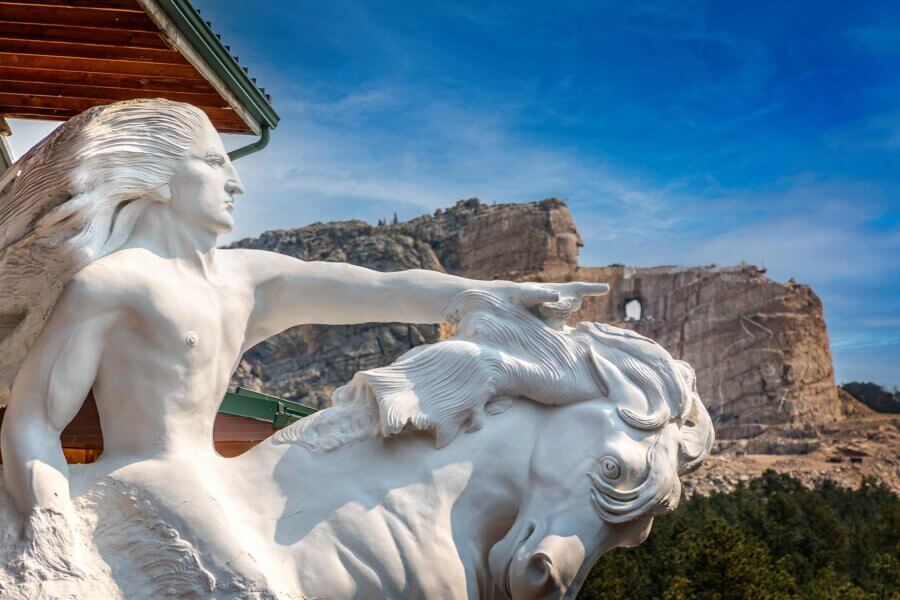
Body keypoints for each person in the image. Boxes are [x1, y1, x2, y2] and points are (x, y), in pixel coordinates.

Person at [0, 99, 607, 589]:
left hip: (219, 474)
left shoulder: (245, 279)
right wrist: (49, 520)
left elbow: (385, 290)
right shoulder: (111, 285)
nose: (235, 181)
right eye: (213, 162)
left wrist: (493, 292)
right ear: (160, 176)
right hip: (151, 476)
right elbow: (33, 419)